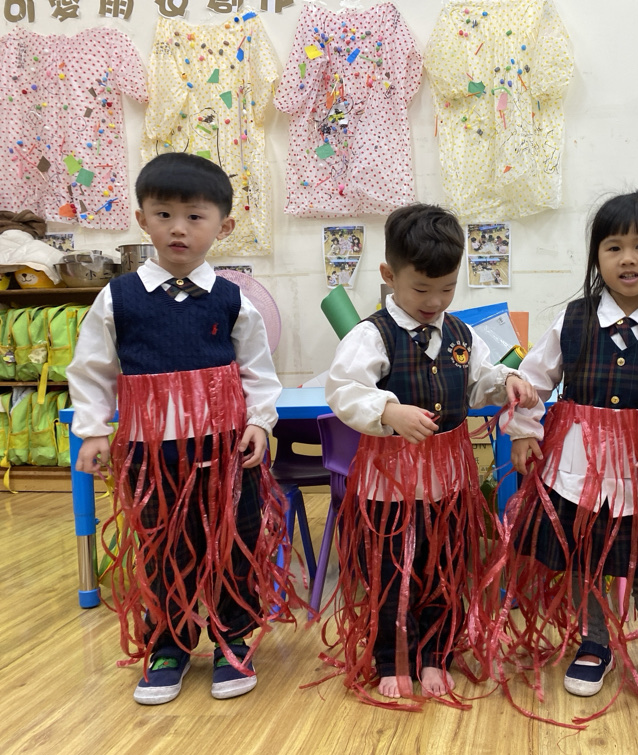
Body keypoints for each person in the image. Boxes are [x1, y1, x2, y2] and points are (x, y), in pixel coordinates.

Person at [67, 152, 299, 706]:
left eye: (195, 216)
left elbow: (257, 371)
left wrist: (260, 423)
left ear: (224, 225)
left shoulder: (233, 298)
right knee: (162, 548)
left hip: (225, 454)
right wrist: (94, 430)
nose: (178, 228)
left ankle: (232, 639)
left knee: (234, 543)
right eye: (164, 214)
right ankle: (168, 645)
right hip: (151, 458)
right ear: (141, 219)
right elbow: (93, 368)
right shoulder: (117, 298)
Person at [322, 203, 538, 703]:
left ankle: (436, 654)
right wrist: (387, 410)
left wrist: (506, 380)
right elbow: (344, 390)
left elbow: (480, 380)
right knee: (392, 571)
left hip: (448, 479)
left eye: (447, 288)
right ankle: (395, 658)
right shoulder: (371, 335)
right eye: (421, 289)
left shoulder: (461, 335)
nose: (435, 301)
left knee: (445, 566)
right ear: (389, 275)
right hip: (389, 483)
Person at [496, 192, 638, 731]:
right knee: (585, 557)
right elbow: (533, 380)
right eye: (613, 247)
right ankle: (594, 641)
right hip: (577, 469)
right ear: (596, 257)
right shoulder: (575, 319)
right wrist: (523, 431)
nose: (627, 258)